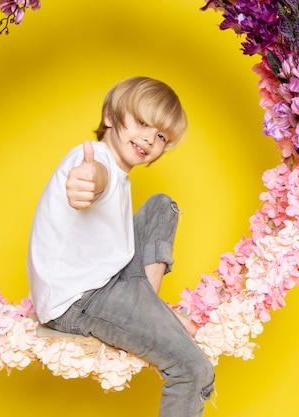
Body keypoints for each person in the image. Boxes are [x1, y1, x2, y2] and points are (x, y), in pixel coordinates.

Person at [27, 76, 215, 417]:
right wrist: (85, 184)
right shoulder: (94, 161)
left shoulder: (119, 171)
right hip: (79, 300)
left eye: (160, 136)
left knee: (161, 205)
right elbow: (94, 177)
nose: (149, 138)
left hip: (108, 281)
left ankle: (150, 308)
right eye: (142, 122)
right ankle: (153, 313)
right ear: (110, 116)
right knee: (193, 372)